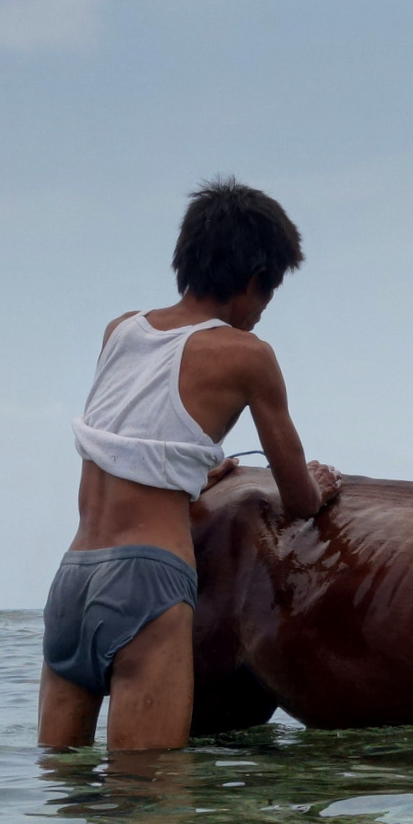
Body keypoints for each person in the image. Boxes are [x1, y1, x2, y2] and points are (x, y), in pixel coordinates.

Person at [38, 178, 338, 751]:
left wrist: (198, 474)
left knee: (63, 797)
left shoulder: (119, 331)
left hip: (72, 579)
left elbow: (133, 439)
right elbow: (300, 500)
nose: (263, 312)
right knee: (149, 803)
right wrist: (315, 485)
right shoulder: (247, 355)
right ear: (254, 281)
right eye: (269, 294)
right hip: (146, 580)